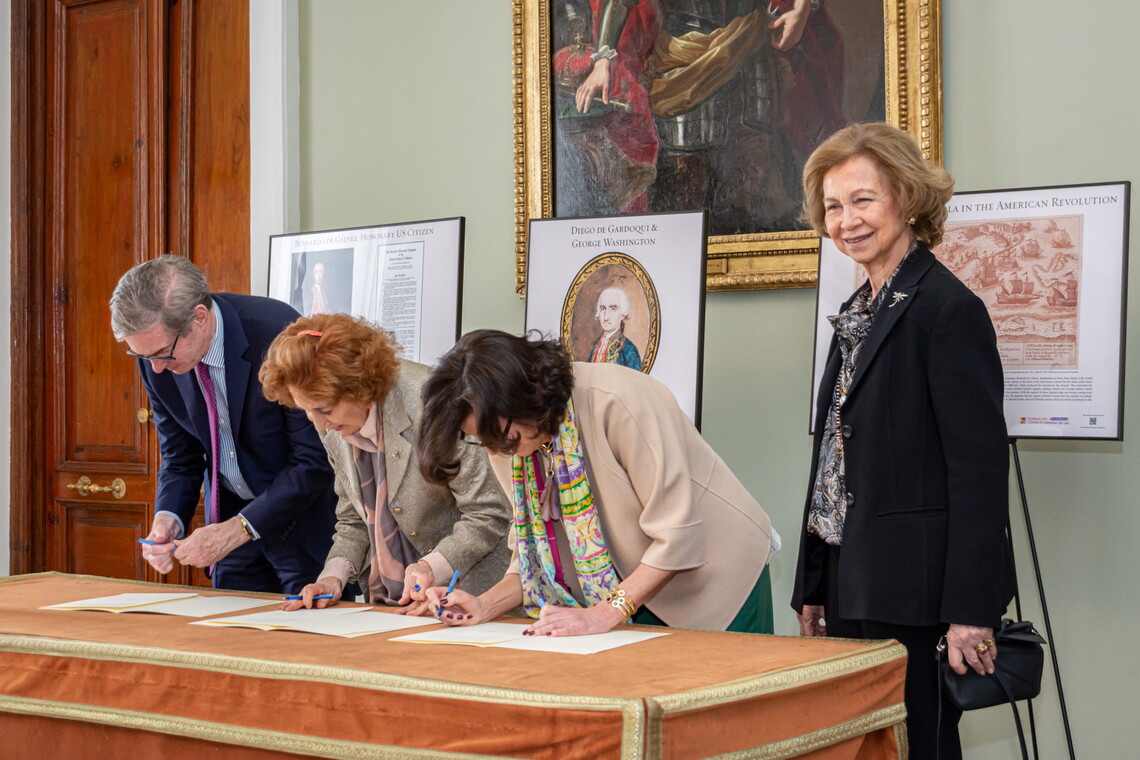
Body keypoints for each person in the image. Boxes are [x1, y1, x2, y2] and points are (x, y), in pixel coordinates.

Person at [790, 123, 1016, 759]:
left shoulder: (947, 309)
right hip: (851, 582)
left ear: (908, 199)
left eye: (863, 200)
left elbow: (977, 472)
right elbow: (833, 459)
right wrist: (813, 585)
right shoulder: (859, 312)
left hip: (919, 595)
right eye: (833, 206)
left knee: (920, 750)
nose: (846, 220)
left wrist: (971, 610)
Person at [417, 330, 777, 636]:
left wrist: (603, 614)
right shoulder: (511, 442)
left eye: (501, 435)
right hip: (628, 591)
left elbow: (678, 536)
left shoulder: (619, 400)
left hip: (716, 580)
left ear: (525, 398)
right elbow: (532, 553)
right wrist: (483, 605)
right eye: (481, 439)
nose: (497, 449)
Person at [109, 255, 337, 593]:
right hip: (228, 526)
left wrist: (238, 529)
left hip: (301, 527)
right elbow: (180, 455)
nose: (154, 369)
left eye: (160, 353)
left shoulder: (278, 332)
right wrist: (167, 518)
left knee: (308, 640)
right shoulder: (155, 360)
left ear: (199, 318)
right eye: (142, 356)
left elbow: (313, 460)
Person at [259, 314, 513, 613]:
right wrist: (332, 577)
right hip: (387, 605)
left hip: (469, 598)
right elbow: (354, 517)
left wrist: (430, 567)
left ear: (362, 391)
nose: (319, 424)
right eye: (307, 411)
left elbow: (488, 511)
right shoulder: (331, 421)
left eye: (324, 410)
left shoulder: (433, 403)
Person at [588, 286, 642, 369]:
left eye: (613, 309)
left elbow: (635, 380)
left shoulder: (629, 350)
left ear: (622, 314)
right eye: (603, 309)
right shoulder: (596, 346)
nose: (606, 317)